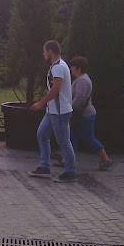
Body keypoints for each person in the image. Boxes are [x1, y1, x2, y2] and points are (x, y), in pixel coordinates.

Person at [29, 40, 77, 183]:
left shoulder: (58, 67)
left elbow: (56, 89)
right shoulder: (59, 66)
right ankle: (45, 167)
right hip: (53, 111)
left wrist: (40, 103)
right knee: (42, 135)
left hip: (60, 112)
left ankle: (70, 172)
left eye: (44, 51)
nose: (43, 53)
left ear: (50, 51)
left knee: (63, 141)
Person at [68, 56, 113, 170]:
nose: (71, 69)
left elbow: (80, 97)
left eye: (73, 66)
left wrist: (69, 108)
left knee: (89, 138)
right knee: (73, 137)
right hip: (82, 114)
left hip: (85, 115)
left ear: (79, 68)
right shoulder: (81, 79)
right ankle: (67, 160)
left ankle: (106, 159)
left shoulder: (82, 80)